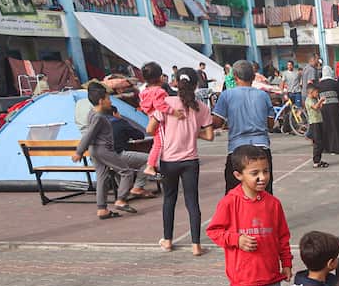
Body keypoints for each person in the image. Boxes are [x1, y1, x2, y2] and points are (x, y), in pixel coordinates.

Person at [206, 146, 291, 286]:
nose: (262, 177)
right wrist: (236, 240)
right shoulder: (229, 202)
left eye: (266, 171)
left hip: (272, 276)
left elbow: (283, 236)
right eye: (255, 173)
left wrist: (287, 263)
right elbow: (213, 231)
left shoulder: (273, 203)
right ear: (239, 175)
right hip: (244, 280)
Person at [146, 67, 211, 255]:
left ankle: (167, 241)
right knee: (192, 201)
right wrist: (192, 131)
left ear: (175, 82)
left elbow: (150, 129)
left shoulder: (166, 103)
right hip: (190, 160)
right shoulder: (201, 107)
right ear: (196, 84)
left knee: (169, 199)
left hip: (169, 160)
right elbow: (209, 135)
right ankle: (196, 245)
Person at [74, 83, 149, 221]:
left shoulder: (91, 113)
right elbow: (89, 134)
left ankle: (102, 209)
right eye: (108, 99)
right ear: (101, 101)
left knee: (102, 177)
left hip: (94, 151)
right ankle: (121, 200)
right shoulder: (99, 117)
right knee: (126, 172)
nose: (110, 101)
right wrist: (79, 151)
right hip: (103, 149)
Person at [213, 61, 277, 194]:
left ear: (235, 76)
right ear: (253, 77)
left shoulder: (226, 95)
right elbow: (271, 124)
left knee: (234, 193)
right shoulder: (263, 95)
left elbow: (217, 122)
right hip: (261, 147)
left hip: (237, 149)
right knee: (264, 192)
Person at [305, 82, 325, 168]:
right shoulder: (308, 100)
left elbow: (319, 107)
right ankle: (316, 161)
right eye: (316, 92)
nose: (317, 94)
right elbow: (315, 107)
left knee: (321, 141)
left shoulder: (314, 99)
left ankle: (319, 159)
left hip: (319, 120)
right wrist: (320, 101)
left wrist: (320, 102)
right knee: (317, 142)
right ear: (311, 92)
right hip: (314, 122)